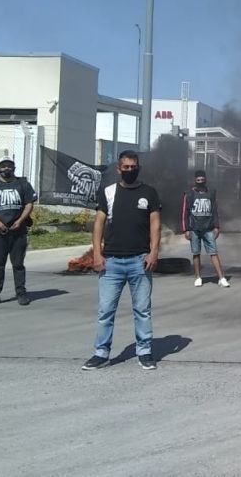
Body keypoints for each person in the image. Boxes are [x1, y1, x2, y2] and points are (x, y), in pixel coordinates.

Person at [82, 150, 162, 371]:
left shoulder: (149, 193)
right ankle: (101, 353)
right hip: (112, 262)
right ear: (119, 169)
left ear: (138, 168)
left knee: (142, 310)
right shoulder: (108, 192)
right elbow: (98, 223)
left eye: (133, 167)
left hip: (140, 261)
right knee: (106, 310)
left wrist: (154, 252)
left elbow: (155, 224)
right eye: (125, 167)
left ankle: (144, 352)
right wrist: (97, 253)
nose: (129, 170)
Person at [0, 156, 37, 306]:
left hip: (18, 231)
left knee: (18, 264)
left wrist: (20, 221)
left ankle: (21, 293)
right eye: (3, 166)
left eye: (9, 166)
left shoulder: (23, 184)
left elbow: (29, 204)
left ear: (14, 168)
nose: (6, 169)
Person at [182, 170, 229, 288]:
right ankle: (198, 277)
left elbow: (215, 211)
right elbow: (184, 213)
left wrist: (217, 226)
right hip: (194, 229)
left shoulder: (211, 193)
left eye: (202, 180)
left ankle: (221, 278)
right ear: (195, 181)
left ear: (206, 180)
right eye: (198, 180)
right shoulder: (189, 194)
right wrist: (185, 229)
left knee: (213, 253)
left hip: (208, 228)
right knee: (196, 253)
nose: (200, 182)